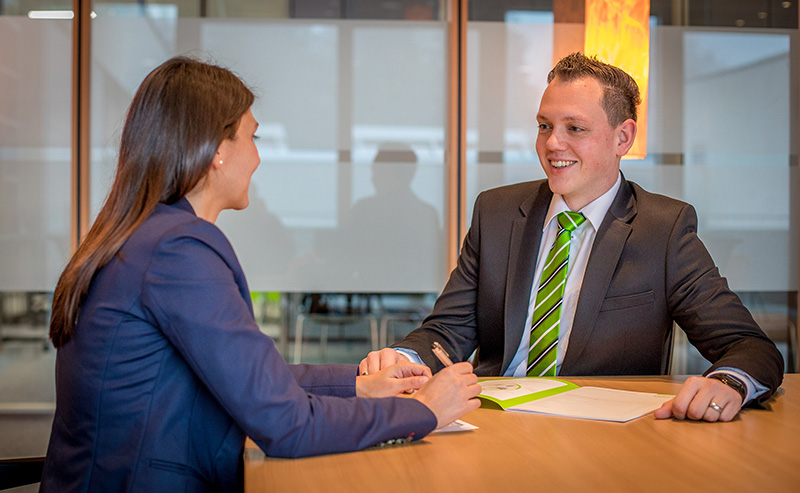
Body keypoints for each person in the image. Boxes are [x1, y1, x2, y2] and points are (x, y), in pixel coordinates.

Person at [40, 57, 480, 492]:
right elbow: (286, 425)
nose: (257, 157)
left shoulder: (145, 235)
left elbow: (247, 376)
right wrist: (424, 410)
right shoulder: (178, 250)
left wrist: (360, 386)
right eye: (252, 137)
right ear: (217, 150)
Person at [360, 52, 784, 423]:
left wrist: (728, 383)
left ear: (623, 137)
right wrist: (404, 357)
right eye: (544, 125)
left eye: (575, 128)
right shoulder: (496, 212)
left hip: (605, 432)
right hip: (492, 421)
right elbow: (447, 330)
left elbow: (750, 347)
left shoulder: (664, 229)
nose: (552, 143)